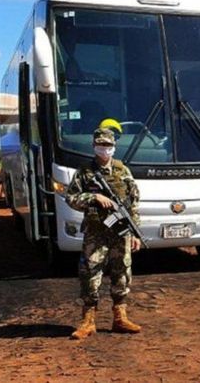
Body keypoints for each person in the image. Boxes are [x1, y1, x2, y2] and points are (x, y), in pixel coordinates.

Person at [65, 128, 142, 340]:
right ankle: (88, 321)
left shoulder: (122, 170)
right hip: (95, 232)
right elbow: (70, 198)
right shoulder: (84, 172)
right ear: (94, 146)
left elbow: (133, 203)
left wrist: (135, 232)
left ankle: (120, 318)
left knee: (122, 272)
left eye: (108, 146)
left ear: (114, 147)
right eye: (100, 146)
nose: (104, 150)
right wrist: (94, 197)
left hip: (120, 232)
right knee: (90, 273)